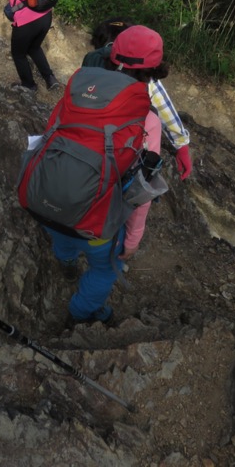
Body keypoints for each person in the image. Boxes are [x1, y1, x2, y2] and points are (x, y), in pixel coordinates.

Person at [45, 26, 166, 325]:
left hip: (48, 201)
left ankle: (67, 263)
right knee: (103, 270)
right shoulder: (147, 120)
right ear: (152, 74)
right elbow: (140, 191)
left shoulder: (77, 93)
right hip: (97, 223)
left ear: (111, 58)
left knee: (63, 236)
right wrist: (133, 239)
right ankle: (80, 314)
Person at [82, 17, 193, 181]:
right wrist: (181, 145)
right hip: (114, 154)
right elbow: (162, 105)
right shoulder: (141, 81)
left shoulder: (91, 61)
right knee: (152, 119)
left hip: (82, 139)